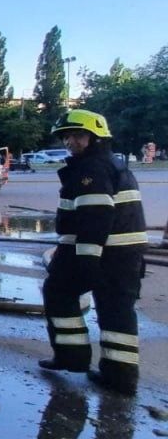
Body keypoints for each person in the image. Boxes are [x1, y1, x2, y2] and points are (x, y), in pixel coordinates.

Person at [39, 109, 146, 395]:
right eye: (66, 137)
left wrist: (87, 260)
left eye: (78, 135)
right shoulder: (107, 164)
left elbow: (95, 218)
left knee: (58, 292)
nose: (71, 142)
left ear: (96, 138)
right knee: (117, 311)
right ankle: (120, 376)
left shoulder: (92, 170)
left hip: (102, 252)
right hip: (123, 254)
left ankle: (72, 357)